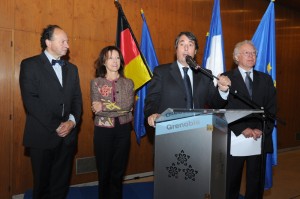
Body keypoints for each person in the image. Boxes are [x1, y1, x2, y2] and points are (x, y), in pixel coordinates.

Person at [19, 24, 83, 199]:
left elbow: (77, 100)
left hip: (68, 137)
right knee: (42, 185)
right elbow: (31, 101)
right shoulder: (29, 65)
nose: (67, 45)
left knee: (61, 185)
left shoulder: (73, 69)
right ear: (48, 42)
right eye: (63, 41)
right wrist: (56, 125)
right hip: (42, 136)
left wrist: (71, 122)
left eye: (67, 41)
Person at [223, 40, 276, 199]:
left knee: (256, 182)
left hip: (259, 137)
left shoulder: (266, 79)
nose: (251, 56)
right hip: (235, 136)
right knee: (231, 181)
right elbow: (224, 107)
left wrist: (262, 130)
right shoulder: (226, 78)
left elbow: (272, 108)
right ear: (236, 57)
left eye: (254, 53)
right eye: (247, 53)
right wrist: (242, 129)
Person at [144, 31, 231, 127]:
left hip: (197, 130)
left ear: (195, 51)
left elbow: (215, 104)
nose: (186, 48)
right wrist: (153, 115)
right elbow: (151, 101)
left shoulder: (204, 74)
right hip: (169, 129)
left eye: (190, 45)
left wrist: (223, 91)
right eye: (182, 44)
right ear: (176, 49)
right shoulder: (161, 72)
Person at [90, 46, 134, 199]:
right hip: (103, 131)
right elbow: (97, 110)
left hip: (123, 130)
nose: (115, 61)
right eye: (110, 58)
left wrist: (104, 105)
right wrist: (118, 108)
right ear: (103, 61)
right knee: (104, 171)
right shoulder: (96, 83)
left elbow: (127, 105)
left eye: (117, 58)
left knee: (118, 171)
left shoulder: (128, 83)